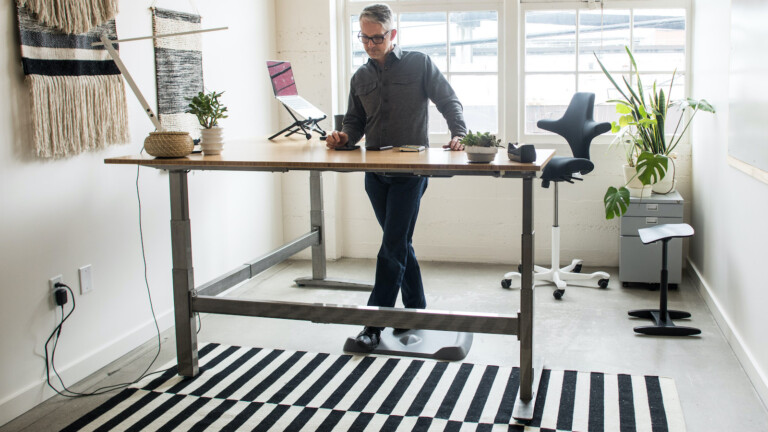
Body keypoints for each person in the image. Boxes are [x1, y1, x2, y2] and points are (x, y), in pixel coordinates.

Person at [325, 3, 467, 351]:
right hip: (375, 174)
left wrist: (459, 133)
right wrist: (343, 138)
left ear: (393, 35)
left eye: (378, 37)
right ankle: (417, 310)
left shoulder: (419, 63)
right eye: (365, 37)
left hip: (411, 173)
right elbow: (354, 124)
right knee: (399, 242)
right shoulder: (360, 77)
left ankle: (373, 326)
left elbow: (449, 100)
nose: (371, 44)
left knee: (391, 246)